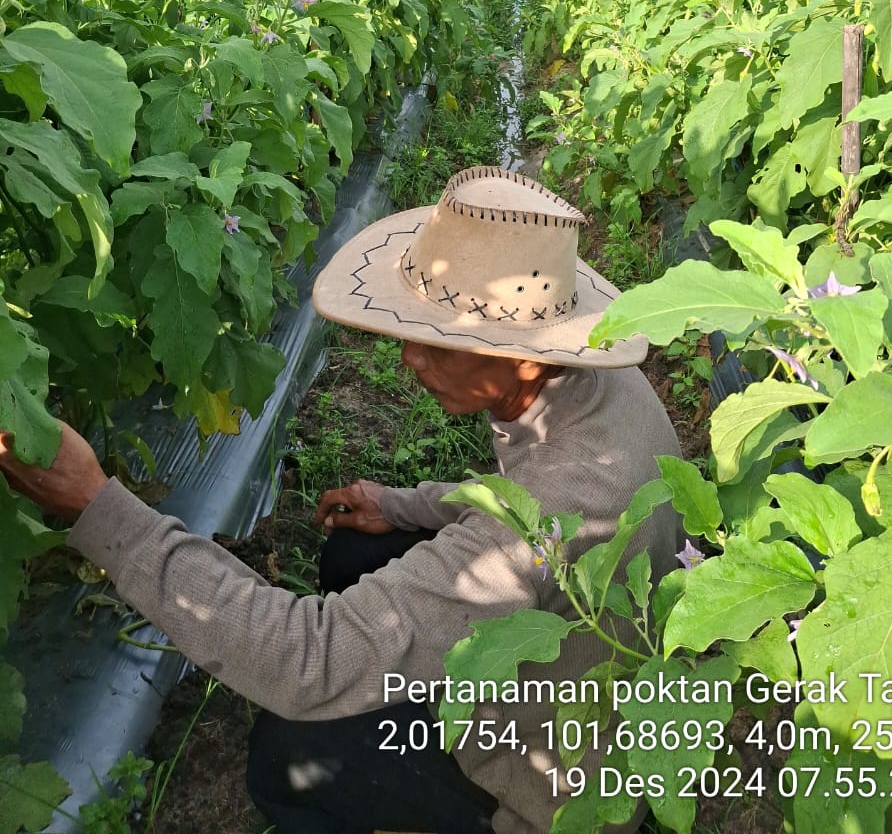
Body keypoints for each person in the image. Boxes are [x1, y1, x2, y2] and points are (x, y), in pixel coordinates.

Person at [0, 166, 683, 834]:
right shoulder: (600, 391)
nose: (412, 358)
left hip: (553, 777)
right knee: (357, 549)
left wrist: (97, 505)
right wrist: (403, 504)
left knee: (286, 755)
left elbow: (310, 658)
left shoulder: (552, 513)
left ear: (528, 358)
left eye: (444, 342)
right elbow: (518, 503)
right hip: (588, 661)